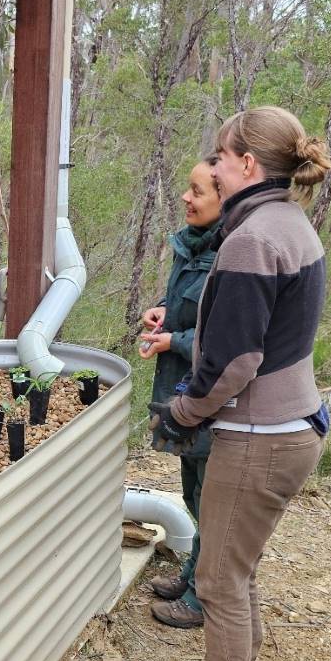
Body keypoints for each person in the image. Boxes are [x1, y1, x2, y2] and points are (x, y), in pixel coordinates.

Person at [143, 106, 331, 661]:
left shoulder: (251, 239)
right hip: (289, 425)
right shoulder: (290, 223)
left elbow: (236, 360)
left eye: (220, 157)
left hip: (261, 435)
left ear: (248, 164)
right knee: (237, 568)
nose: (215, 168)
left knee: (218, 576)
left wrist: (184, 410)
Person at [140, 156, 222, 630]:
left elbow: (229, 341)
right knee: (192, 491)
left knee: (214, 502)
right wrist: (162, 311)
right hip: (183, 391)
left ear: (223, 198)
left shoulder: (234, 254)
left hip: (215, 397)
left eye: (197, 191)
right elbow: (188, 306)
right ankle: (192, 572)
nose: (187, 198)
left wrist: (175, 340)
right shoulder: (190, 246)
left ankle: (201, 596)